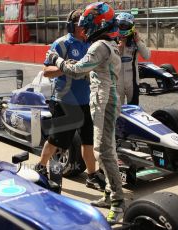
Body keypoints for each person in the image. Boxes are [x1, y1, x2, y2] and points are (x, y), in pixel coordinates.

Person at [46, 2, 124, 223]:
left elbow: (76, 70)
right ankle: (109, 194)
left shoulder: (98, 46)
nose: (86, 30)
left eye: (89, 26)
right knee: (105, 148)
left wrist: (56, 60)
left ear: (98, 24)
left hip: (104, 102)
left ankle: (118, 202)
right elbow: (84, 73)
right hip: (106, 99)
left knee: (104, 150)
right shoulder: (109, 42)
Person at [34, 9, 101, 190]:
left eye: (86, 24)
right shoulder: (61, 44)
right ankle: (40, 166)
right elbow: (46, 72)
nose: (84, 28)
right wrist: (65, 67)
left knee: (89, 141)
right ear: (72, 26)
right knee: (57, 141)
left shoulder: (92, 44)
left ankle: (92, 175)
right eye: (81, 24)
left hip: (87, 101)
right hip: (65, 101)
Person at [116, 12, 151, 105]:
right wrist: (119, 49)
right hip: (117, 82)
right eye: (121, 25)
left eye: (125, 26)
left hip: (132, 81)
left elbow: (147, 56)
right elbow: (109, 61)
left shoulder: (136, 40)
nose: (123, 28)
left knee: (134, 110)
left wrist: (138, 41)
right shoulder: (112, 40)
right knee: (118, 112)